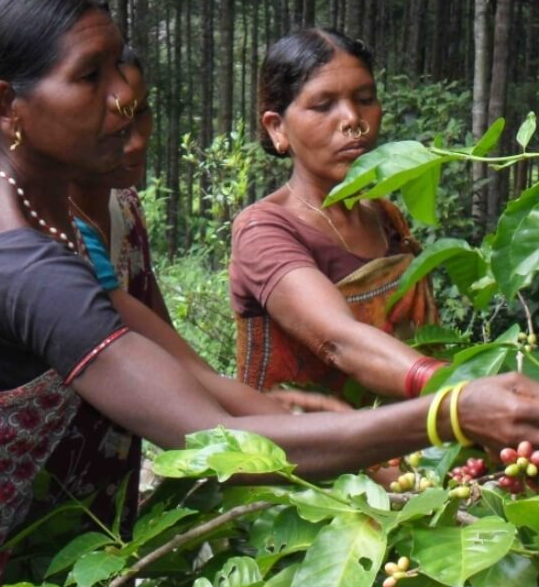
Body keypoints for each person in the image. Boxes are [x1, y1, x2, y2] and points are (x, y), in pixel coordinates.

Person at [0, 0, 539, 586]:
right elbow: (206, 445)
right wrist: (449, 411)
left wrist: (272, 405)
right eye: (92, 78)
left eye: (121, 70)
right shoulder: (18, 268)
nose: (125, 100)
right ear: (10, 105)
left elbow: (156, 350)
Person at [44, 47, 349, 535]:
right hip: (44, 472)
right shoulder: (58, 234)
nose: (138, 138)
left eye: (141, 112)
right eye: (117, 125)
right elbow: (166, 366)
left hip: (105, 465)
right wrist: (312, 430)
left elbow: (172, 348)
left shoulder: (122, 206)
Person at [231, 28, 447, 403]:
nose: (353, 119)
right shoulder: (263, 229)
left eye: (365, 99)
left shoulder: (385, 215)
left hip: (408, 440)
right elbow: (339, 340)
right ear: (277, 128)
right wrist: (458, 389)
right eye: (323, 105)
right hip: (302, 454)